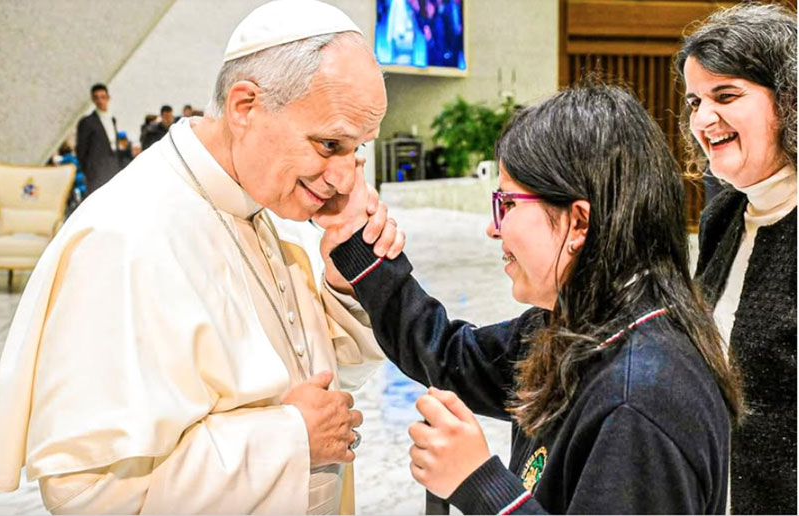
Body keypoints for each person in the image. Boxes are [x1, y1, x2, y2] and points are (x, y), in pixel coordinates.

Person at [0, 0, 402, 513]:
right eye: (329, 145)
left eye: (358, 149)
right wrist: (290, 437)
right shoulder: (125, 237)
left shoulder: (267, 199)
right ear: (245, 107)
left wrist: (346, 279)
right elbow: (91, 492)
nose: (347, 178)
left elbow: (325, 373)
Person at [322, 83, 743, 514]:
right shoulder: (579, 322)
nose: (493, 228)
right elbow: (450, 356)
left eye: (507, 204)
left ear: (578, 221)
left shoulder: (640, 398)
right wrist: (358, 247)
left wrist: (480, 484)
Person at [675, 3, 797, 514]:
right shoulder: (725, 210)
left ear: (789, 101)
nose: (702, 119)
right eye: (694, 101)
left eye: (725, 96)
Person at [75, 83, 121, 195]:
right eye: (96, 98)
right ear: (93, 100)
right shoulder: (87, 122)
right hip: (96, 172)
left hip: (113, 167)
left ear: (108, 98)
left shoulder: (112, 119)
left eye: (103, 97)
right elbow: (81, 149)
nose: (100, 101)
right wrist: (89, 170)